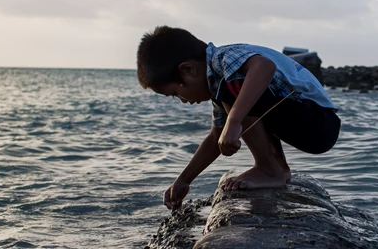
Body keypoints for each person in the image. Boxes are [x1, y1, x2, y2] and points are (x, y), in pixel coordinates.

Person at [136, 26, 340, 210]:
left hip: (319, 122)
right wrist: (184, 180)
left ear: (188, 69)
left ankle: (269, 169)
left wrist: (234, 122)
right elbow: (216, 136)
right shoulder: (220, 87)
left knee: (235, 90)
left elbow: (263, 67)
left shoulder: (225, 59)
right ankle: (278, 169)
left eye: (176, 93)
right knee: (234, 95)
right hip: (309, 121)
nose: (182, 100)